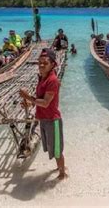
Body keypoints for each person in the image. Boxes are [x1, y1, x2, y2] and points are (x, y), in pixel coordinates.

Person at [19, 48, 67, 180]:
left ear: (52, 64)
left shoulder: (52, 80)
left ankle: (63, 175)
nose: (41, 65)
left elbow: (46, 103)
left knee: (57, 150)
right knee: (52, 147)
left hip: (52, 119)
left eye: (45, 63)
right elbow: (40, 98)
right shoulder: (42, 78)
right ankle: (60, 168)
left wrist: (28, 98)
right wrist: (30, 103)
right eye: (39, 62)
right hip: (44, 119)